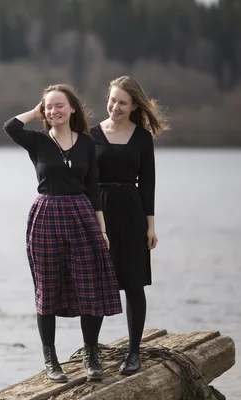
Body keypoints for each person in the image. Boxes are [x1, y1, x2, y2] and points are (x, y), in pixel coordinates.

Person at [3, 84, 122, 383]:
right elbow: (10, 126)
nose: (54, 111)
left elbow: (93, 188)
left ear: (72, 109)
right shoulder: (37, 142)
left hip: (81, 214)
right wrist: (33, 112)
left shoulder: (87, 143)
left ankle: (91, 354)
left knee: (90, 286)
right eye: (49, 107)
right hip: (46, 216)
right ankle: (50, 359)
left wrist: (102, 228)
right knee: (48, 289)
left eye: (60, 106)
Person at [89, 76, 169, 375]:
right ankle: (92, 354)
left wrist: (151, 226)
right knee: (97, 284)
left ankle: (133, 354)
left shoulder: (142, 138)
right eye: (112, 100)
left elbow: (148, 183)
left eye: (123, 102)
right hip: (99, 211)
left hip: (133, 211)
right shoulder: (91, 134)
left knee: (134, 284)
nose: (115, 106)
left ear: (135, 105)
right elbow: (85, 180)